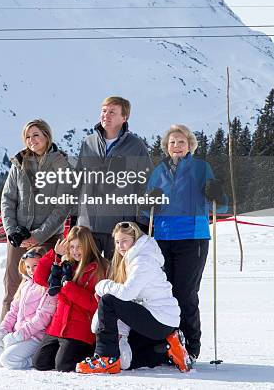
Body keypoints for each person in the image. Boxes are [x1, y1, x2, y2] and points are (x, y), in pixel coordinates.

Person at [143, 124, 227, 363]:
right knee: (163, 293)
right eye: (172, 142)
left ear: (190, 145)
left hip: (192, 237)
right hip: (163, 237)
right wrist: (149, 203)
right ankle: (166, 344)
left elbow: (219, 205)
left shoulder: (201, 168)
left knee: (185, 293)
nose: (176, 146)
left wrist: (217, 194)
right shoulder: (158, 171)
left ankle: (190, 346)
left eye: (181, 142)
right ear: (166, 147)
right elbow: (146, 211)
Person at [75, 221, 191, 375]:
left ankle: (106, 358)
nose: (120, 246)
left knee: (108, 300)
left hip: (160, 319)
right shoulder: (131, 260)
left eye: (124, 241)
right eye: (117, 242)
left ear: (135, 240)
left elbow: (126, 295)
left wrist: (101, 285)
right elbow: (128, 302)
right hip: (156, 322)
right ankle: (167, 350)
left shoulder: (142, 261)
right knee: (126, 362)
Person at [0, 119, 72, 319]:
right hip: (19, 237)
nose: (32, 140)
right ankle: (4, 333)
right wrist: (12, 231)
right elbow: (8, 199)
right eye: (28, 136)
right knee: (13, 286)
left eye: (36, 135)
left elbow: (63, 205)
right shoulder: (19, 163)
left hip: (48, 238)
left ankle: (41, 339)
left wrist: (39, 236)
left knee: (45, 287)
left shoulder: (61, 164)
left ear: (47, 136)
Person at [76, 96, 153, 258]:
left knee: (116, 277)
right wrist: (75, 217)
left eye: (112, 112)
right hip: (88, 226)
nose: (106, 115)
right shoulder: (88, 143)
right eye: (104, 111)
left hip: (119, 227)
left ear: (124, 118)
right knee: (88, 277)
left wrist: (141, 222)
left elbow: (146, 186)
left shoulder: (135, 146)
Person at [31, 226, 108, 372]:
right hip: (58, 326)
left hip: (80, 328)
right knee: (40, 363)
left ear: (88, 245)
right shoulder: (65, 265)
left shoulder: (98, 268)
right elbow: (39, 279)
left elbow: (95, 305)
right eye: (71, 246)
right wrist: (55, 254)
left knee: (63, 366)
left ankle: (93, 352)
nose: (75, 251)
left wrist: (68, 287)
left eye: (79, 246)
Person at [0, 247, 57, 369]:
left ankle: (34, 360)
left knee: (8, 360)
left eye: (35, 265)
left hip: (35, 337)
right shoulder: (25, 285)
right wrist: (2, 331)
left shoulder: (48, 288)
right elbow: (13, 312)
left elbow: (42, 319)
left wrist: (19, 336)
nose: (31, 270)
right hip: (17, 334)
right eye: (28, 267)